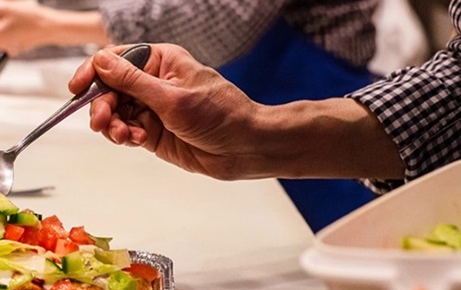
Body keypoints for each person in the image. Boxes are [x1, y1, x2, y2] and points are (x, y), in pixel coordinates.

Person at [0, 0, 389, 231]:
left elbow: (223, 17)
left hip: (336, 108)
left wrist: (47, 25)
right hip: (248, 114)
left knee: (348, 260)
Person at [66, 1, 460, 197]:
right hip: (327, 129)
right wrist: (254, 136)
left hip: (329, 97)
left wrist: (259, 134)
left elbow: (221, 20)